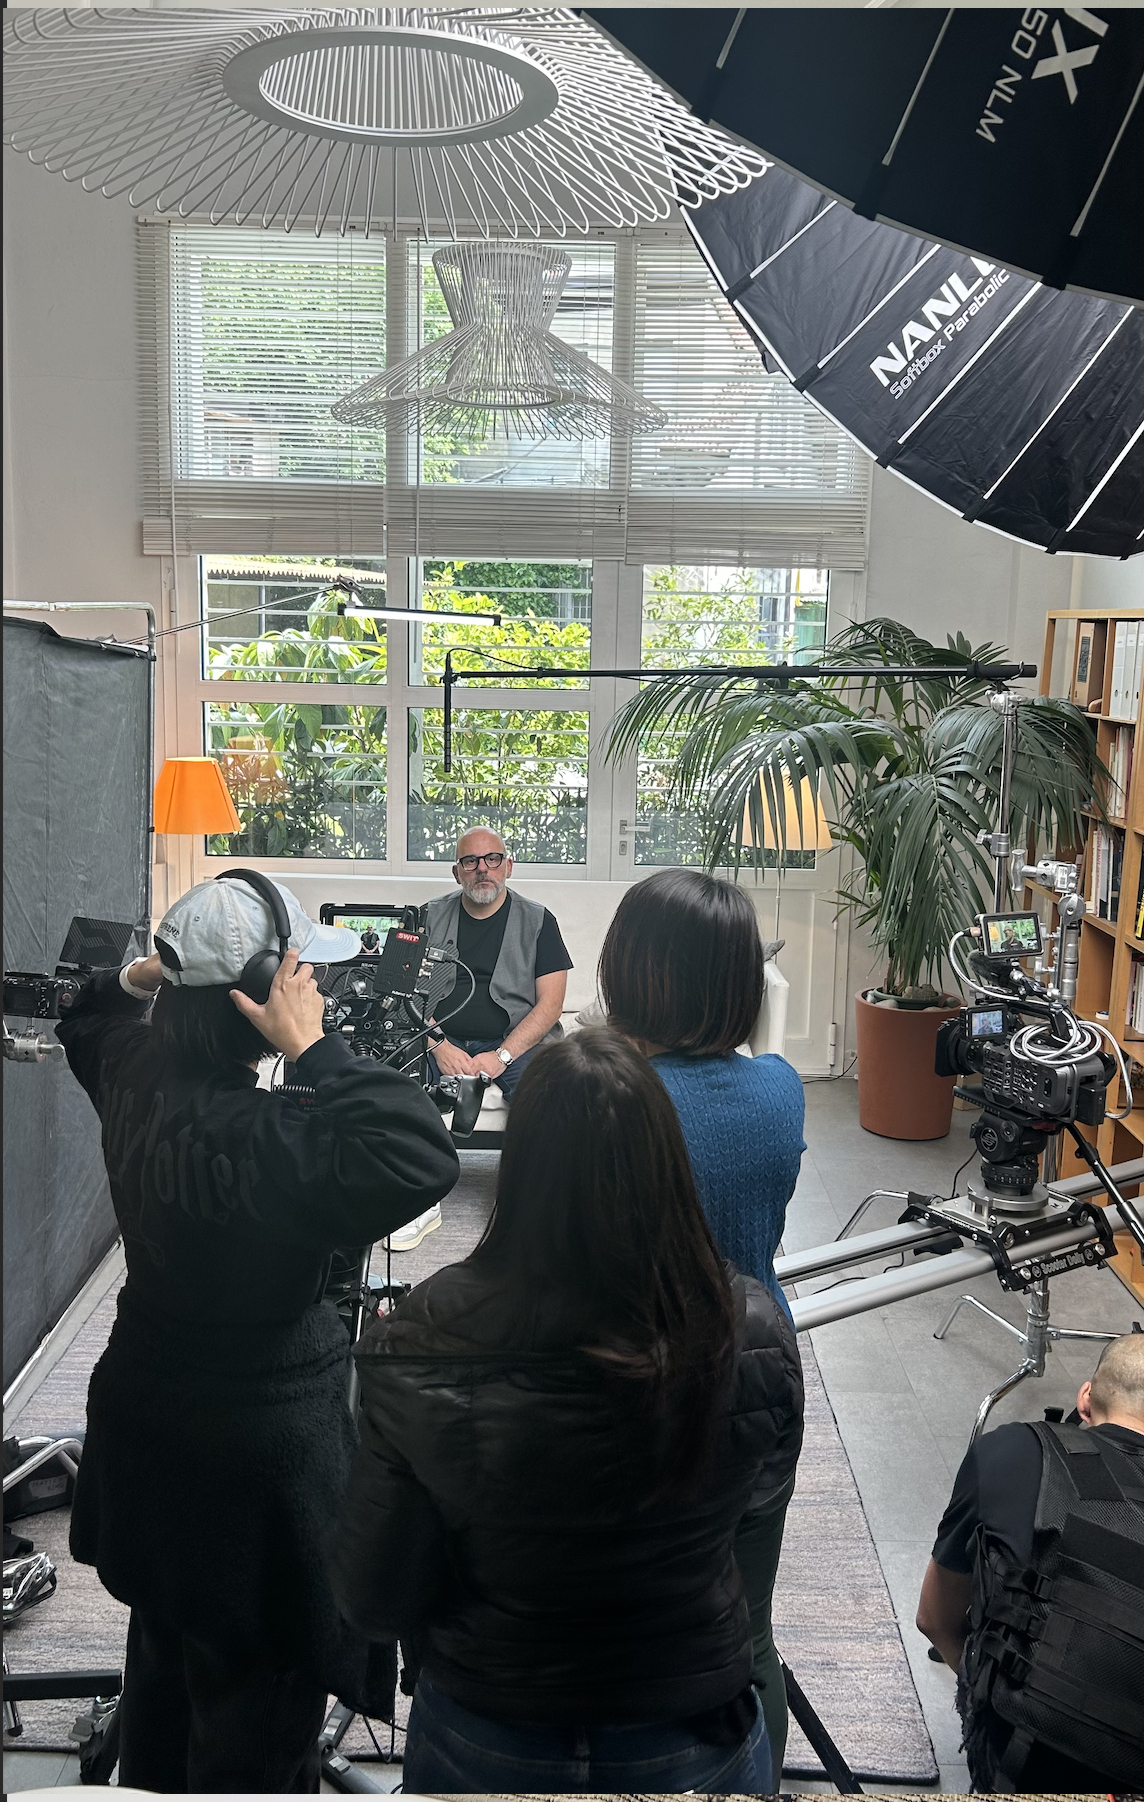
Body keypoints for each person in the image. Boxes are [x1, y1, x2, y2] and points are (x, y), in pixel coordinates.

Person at [53, 873, 460, 1793]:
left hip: (148, 1417)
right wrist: (315, 1050)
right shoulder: (289, 1136)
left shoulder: (133, 1075)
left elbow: (85, 1010)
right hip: (261, 1461)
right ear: (261, 1000)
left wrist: (157, 970)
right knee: (260, 1712)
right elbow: (423, 1153)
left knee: (163, 1652)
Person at [327, 1028, 805, 1796]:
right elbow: (752, 1512)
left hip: (486, 1726)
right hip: (690, 1724)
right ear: (666, 1159)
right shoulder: (749, 1332)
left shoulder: (421, 1334)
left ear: (523, 1169)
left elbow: (374, 1596)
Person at [599, 866, 806, 1776]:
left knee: (611, 1621)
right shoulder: (782, 1089)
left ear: (632, 973)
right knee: (743, 1625)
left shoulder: (603, 1099)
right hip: (759, 1386)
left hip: (629, 1390)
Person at [917, 1333, 1144, 1794]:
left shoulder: (1013, 1451)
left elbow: (934, 1619)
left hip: (1022, 1760)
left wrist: (986, 1689)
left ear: (1085, 1398)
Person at [392, 825, 573, 1251]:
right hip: (436, 1034)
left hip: (517, 1040)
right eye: (470, 862)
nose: (482, 870)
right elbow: (397, 992)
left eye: (492, 859)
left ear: (508, 866)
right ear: (457, 873)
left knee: (553, 1094)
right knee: (396, 1082)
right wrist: (438, 1045)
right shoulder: (424, 916)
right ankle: (418, 1200)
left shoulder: (539, 921)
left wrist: (502, 1056)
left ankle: (534, 1204)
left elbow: (550, 1006)